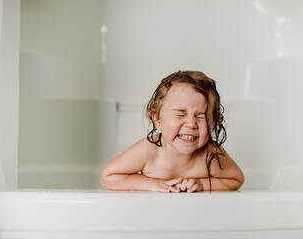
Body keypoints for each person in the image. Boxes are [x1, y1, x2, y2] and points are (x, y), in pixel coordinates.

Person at [101, 71, 244, 192]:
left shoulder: (210, 154)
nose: (191, 124)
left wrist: (203, 184)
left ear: (213, 121)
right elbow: (108, 176)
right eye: (180, 114)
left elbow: (236, 179)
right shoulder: (148, 151)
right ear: (157, 118)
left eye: (201, 116)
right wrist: (149, 183)